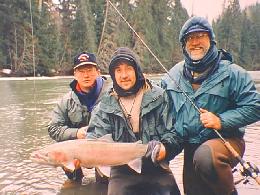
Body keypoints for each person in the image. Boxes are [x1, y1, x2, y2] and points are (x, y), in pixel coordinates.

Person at [161, 16, 260, 195]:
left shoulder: (234, 73)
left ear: (211, 40)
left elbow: (255, 107)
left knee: (206, 157)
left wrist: (221, 120)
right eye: (190, 38)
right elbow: (158, 107)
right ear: (184, 44)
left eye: (201, 36)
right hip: (190, 147)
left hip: (227, 142)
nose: (195, 42)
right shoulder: (171, 76)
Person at [87, 47, 182, 195]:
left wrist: (166, 148)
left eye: (128, 69)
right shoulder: (104, 105)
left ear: (137, 70)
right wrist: (82, 159)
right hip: (121, 171)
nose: (124, 75)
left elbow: (175, 132)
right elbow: (94, 140)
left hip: (157, 167)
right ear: (113, 74)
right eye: (118, 70)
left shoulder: (159, 96)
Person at [48, 51, 110, 183]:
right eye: (81, 71)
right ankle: (75, 180)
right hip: (76, 151)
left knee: (104, 184)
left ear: (98, 72)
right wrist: (77, 133)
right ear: (75, 74)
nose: (86, 75)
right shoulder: (66, 101)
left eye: (89, 70)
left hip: (104, 148)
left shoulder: (112, 96)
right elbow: (53, 128)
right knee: (62, 149)